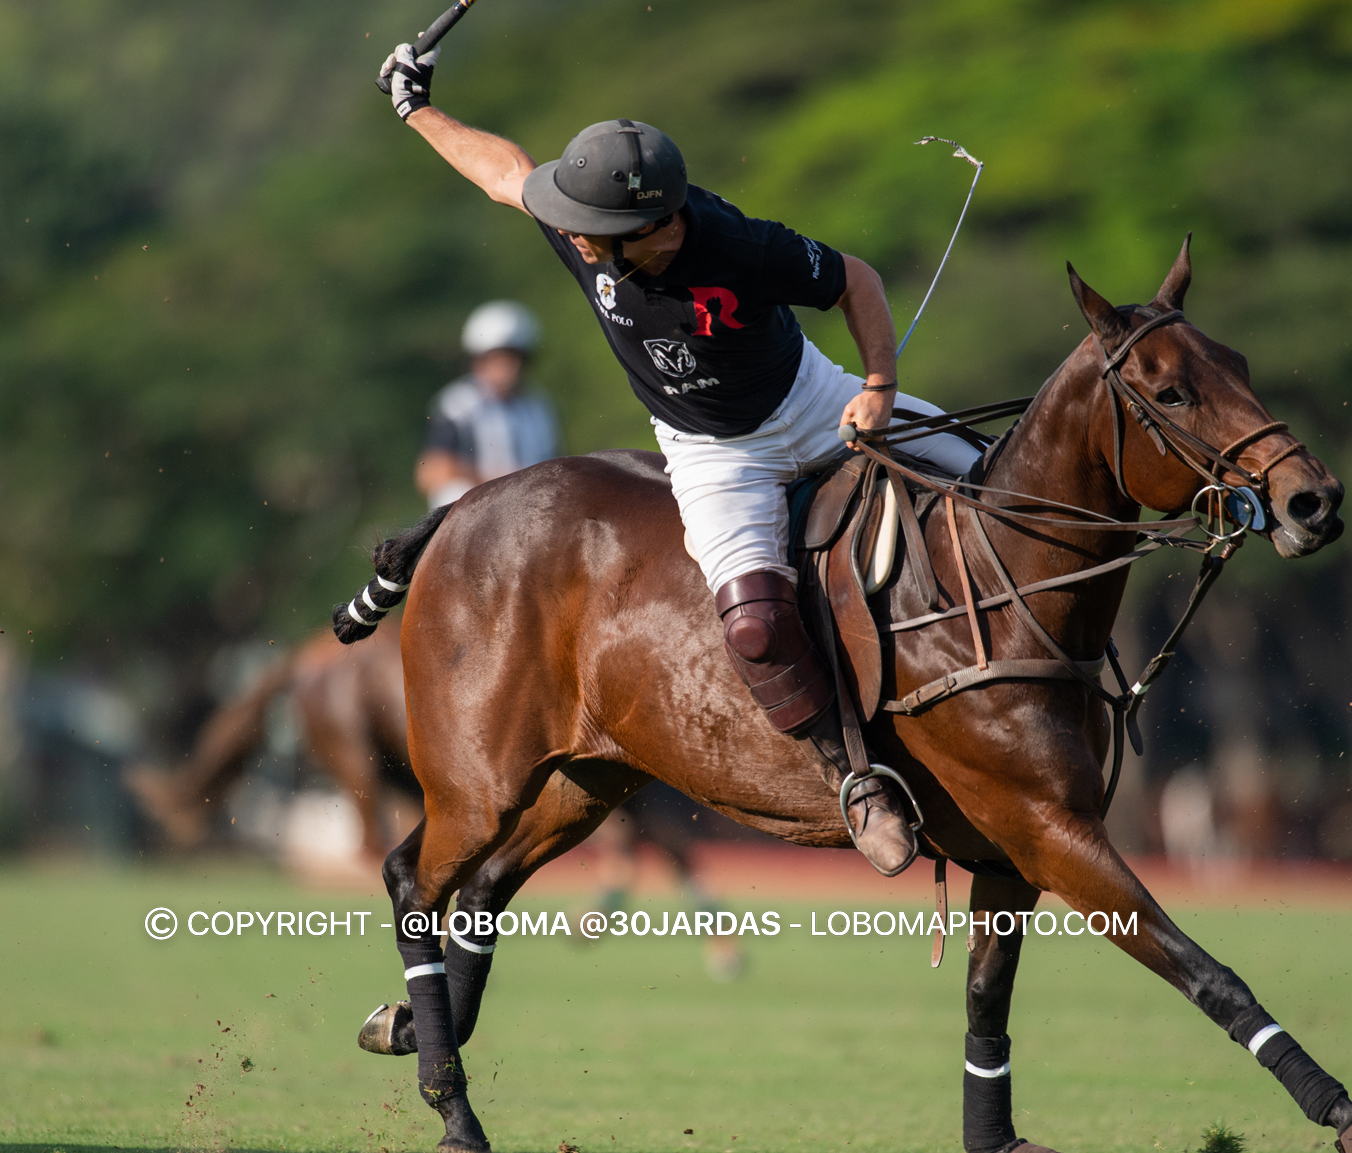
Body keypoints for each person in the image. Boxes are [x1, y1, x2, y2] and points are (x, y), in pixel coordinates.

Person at [377, 44, 985, 876]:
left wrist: (880, 383)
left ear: (660, 226)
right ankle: (858, 783)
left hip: (810, 400)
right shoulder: (583, 221)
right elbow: (502, 171)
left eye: (602, 236)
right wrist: (417, 108)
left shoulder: (739, 245)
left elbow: (859, 281)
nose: (581, 245)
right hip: (711, 451)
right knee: (755, 624)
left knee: (983, 477)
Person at [415, 300, 559, 509]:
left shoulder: (539, 406)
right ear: (478, 360)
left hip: (529, 506)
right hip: (474, 509)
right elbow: (432, 472)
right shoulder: (457, 403)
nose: (508, 367)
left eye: (514, 358)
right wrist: (507, 480)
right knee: (450, 492)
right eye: (497, 358)